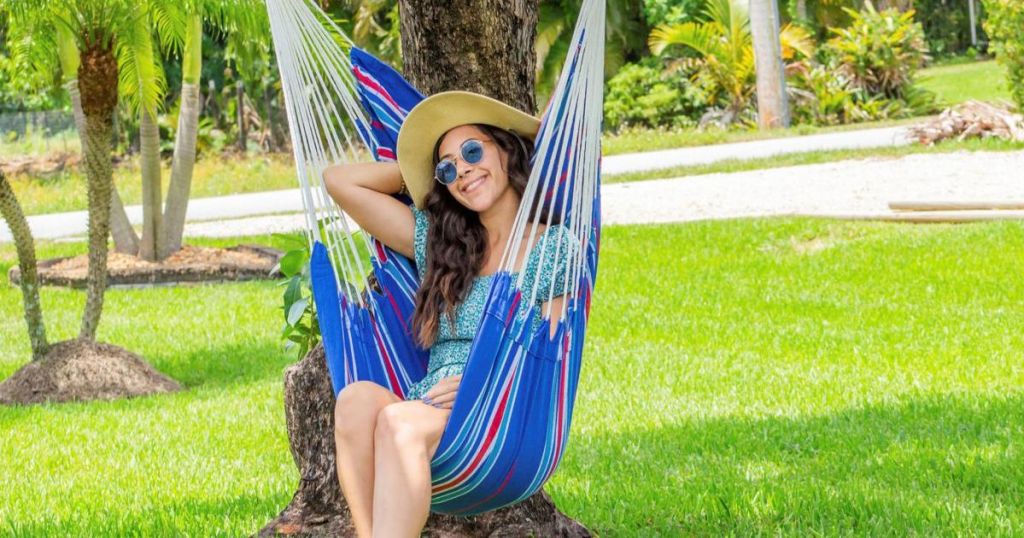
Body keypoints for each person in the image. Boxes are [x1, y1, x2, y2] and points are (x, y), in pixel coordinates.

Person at [322, 91, 577, 537]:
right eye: (447, 168)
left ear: (505, 149)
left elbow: (549, 354)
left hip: (498, 412)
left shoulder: (551, 247)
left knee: (399, 423)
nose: (463, 171)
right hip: (430, 403)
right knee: (356, 400)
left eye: (474, 152)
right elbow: (339, 181)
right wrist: (419, 179)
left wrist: (487, 381)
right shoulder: (444, 247)